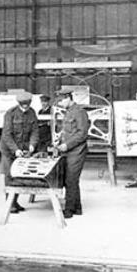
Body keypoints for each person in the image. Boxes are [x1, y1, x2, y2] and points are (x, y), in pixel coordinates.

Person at [0, 91, 39, 213]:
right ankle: (9, 203)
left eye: (27, 104)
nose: (25, 106)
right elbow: (6, 135)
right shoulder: (10, 114)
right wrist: (15, 150)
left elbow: (35, 131)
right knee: (9, 175)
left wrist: (32, 145)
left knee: (20, 174)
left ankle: (15, 201)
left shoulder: (32, 113)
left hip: (23, 149)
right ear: (19, 103)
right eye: (23, 104)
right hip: (8, 150)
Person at [54, 88, 90, 218]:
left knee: (71, 180)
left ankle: (69, 210)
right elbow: (68, 131)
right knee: (71, 180)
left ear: (68, 98)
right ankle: (77, 208)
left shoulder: (79, 112)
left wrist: (67, 145)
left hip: (76, 151)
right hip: (68, 150)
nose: (60, 104)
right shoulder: (69, 112)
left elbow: (82, 134)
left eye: (61, 101)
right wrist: (59, 140)